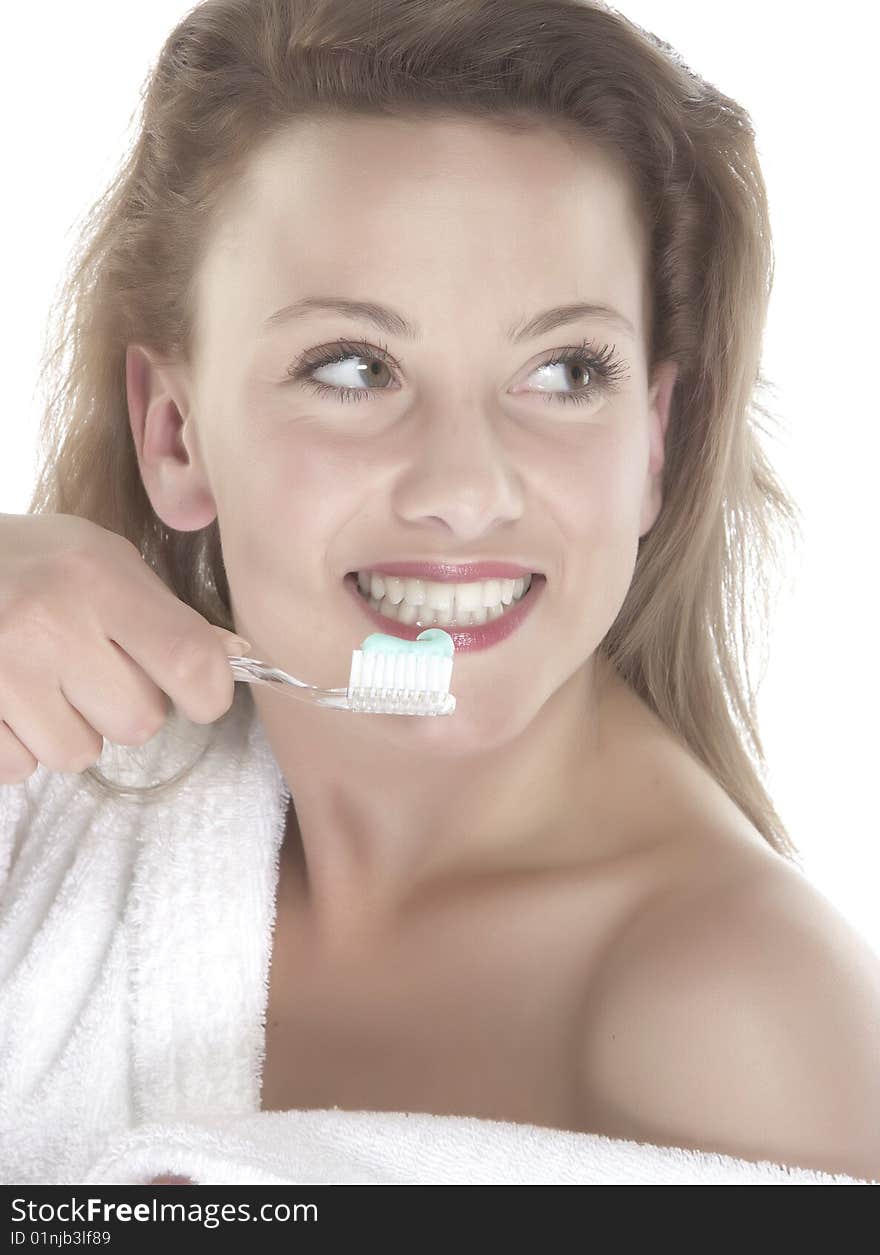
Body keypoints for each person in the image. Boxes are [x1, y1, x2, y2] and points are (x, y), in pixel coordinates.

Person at [2, 0, 879, 1185]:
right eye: (353, 367)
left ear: (653, 444)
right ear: (175, 434)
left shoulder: (742, 1030)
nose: (466, 491)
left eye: (564, 370)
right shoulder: (56, 814)